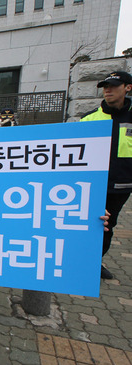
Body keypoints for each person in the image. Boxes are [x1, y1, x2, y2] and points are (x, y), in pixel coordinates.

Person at [81, 71, 132, 280]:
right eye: (105, 86)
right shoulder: (90, 119)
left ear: (128, 87)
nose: (107, 90)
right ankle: (79, 261)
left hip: (121, 185)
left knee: (107, 226)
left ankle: (95, 262)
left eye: (113, 86)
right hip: (92, 185)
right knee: (87, 224)